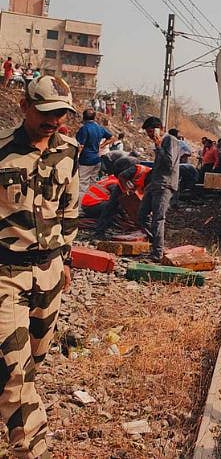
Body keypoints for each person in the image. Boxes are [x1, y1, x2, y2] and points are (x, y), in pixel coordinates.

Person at [0, 75, 80, 458]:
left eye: (61, 115)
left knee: (34, 356)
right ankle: (32, 448)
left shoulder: (69, 150)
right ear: (24, 106)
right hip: (6, 272)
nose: (54, 122)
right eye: (46, 113)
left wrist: (65, 258)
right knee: (16, 370)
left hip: (49, 272)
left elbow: (69, 209)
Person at [139, 116, 183, 262]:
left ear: (159, 129)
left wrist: (159, 147)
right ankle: (157, 244)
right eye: (148, 133)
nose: (150, 136)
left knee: (158, 219)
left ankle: (157, 254)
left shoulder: (170, 140)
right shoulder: (161, 142)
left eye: (151, 132)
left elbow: (170, 164)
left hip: (165, 185)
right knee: (142, 215)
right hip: (155, 184)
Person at [81, 156, 142, 239]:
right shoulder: (115, 184)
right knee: (114, 207)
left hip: (89, 204)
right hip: (91, 206)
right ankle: (101, 230)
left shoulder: (112, 178)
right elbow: (119, 202)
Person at [74, 108, 113, 190]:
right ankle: (91, 202)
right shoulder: (100, 128)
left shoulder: (84, 128)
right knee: (93, 184)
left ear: (83, 118)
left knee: (82, 184)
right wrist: (102, 145)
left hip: (86, 160)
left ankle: (81, 202)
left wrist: (75, 158)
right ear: (94, 118)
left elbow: (80, 146)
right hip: (97, 159)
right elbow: (112, 137)